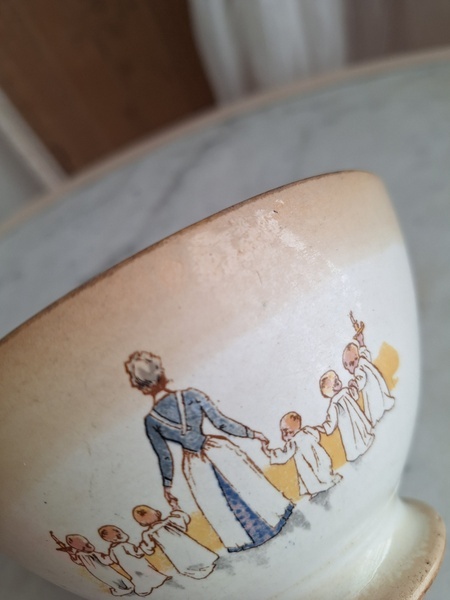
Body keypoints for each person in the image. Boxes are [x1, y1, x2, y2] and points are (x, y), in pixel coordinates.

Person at [124, 351, 293, 553]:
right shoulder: (191, 395)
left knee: (217, 501)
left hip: (194, 464)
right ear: (161, 373)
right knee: (243, 483)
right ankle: (271, 521)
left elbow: (165, 457)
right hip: (218, 450)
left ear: (141, 387)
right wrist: (252, 434)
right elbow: (222, 422)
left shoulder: (152, 421)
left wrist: (167, 486)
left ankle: (246, 537)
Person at [262, 412, 342, 497]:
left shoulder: (293, 442)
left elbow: (283, 456)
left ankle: (321, 488)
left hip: (313, 466)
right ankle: (326, 483)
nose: (283, 436)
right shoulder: (307, 431)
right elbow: (317, 436)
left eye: (286, 431)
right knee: (322, 474)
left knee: (314, 478)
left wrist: (268, 452)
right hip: (320, 461)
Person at [133, 504, 218, 579]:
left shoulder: (149, 533)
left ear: (142, 524)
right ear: (158, 513)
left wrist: (140, 550)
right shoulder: (168, 521)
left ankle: (198, 570)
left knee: (186, 559)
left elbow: (147, 547)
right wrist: (175, 507)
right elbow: (182, 518)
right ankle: (204, 567)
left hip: (174, 549)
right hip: (181, 545)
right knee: (192, 555)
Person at [317, 370, 374, 462]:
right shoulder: (335, 402)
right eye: (336, 382)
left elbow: (331, 421)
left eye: (338, 379)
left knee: (355, 432)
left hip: (354, 416)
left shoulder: (342, 394)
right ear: (332, 389)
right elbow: (332, 419)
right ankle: (361, 444)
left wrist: (353, 386)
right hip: (348, 421)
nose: (339, 382)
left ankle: (361, 444)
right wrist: (353, 387)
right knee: (354, 433)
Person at [342, 329, 394, 426]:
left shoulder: (358, 369)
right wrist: (361, 342)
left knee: (373, 405)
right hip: (377, 385)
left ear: (356, 358)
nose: (351, 367)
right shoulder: (362, 360)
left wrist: (355, 385)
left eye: (352, 363)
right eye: (349, 365)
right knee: (380, 399)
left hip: (372, 390)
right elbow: (365, 353)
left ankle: (376, 416)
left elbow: (361, 379)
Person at [98, 525, 167, 597]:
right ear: (118, 536)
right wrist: (143, 546)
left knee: (137, 576)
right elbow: (137, 553)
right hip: (138, 563)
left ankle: (146, 587)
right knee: (146, 571)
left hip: (127, 567)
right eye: (120, 533)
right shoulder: (124, 545)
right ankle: (154, 582)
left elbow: (114, 560)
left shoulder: (112, 549)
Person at [59, 533, 134, 596]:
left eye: (88, 544)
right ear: (80, 547)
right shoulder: (83, 554)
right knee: (112, 579)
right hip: (99, 571)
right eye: (87, 545)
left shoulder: (84, 554)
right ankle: (126, 587)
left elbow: (79, 562)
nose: (89, 545)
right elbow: (105, 560)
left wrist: (72, 555)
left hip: (101, 570)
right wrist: (71, 555)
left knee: (115, 578)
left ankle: (126, 586)